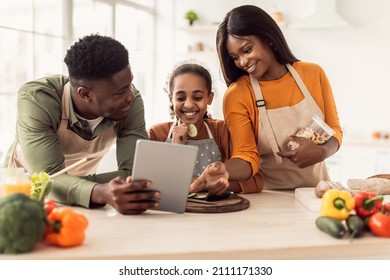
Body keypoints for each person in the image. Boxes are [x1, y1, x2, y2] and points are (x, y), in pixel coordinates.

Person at [3, 34, 159, 215]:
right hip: (20, 194)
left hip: (83, 200)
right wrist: (98, 190)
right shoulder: (37, 100)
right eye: (121, 92)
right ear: (85, 94)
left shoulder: (129, 102)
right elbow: (47, 178)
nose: (130, 96)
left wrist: (78, 188)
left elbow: (134, 173)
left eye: (130, 85)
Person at [215, 5, 343, 189]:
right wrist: (225, 171)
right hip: (268, 197)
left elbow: (333, 129)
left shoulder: (313, 74)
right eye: (235, 57)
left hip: (318, 192)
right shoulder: (238, 94)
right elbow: (246, 155)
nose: (242, 62)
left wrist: (321, 152)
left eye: (247, 50)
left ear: (269, 39)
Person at [148, 62, 262, 194]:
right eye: (180, 97)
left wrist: (198, 184)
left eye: (197, 97)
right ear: (171, 99)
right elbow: (153, 184)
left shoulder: (222, 131)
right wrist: (176, 149)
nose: (189, 104)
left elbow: (254, 181)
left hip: (217, 211)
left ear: (209, 98)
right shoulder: (156, 134)